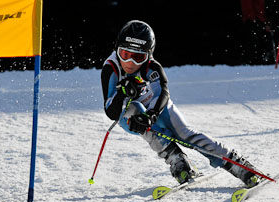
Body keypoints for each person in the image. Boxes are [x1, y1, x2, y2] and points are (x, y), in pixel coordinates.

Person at [100, 20, 261, 186]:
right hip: (130, 114)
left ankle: (239, 166)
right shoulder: (111, 67)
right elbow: (111, 112)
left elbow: (163, 92)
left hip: (156, 106)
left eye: (138, 57)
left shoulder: (152, 67)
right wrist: (122, 91)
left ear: (149, 55)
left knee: (185, 134)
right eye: (125, 55)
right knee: (137, 112)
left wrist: (152, 114)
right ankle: (177, 160)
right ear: (116, 49)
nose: (130, 63)